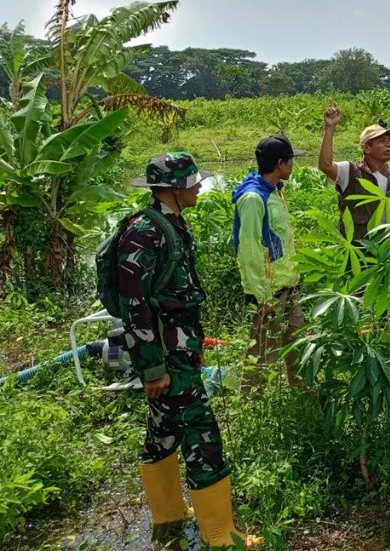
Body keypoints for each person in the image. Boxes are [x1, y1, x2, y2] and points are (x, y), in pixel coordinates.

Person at [118, 153, 261, 549]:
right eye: (193, 182)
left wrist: (192, 345)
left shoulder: (169, 224)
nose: (199, 187)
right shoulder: (145, 232)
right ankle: (220, 536)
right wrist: (152, 370)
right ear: (174, 189)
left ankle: (168, 516)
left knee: (162, 430)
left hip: (178, 351)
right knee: (203, 434)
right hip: (165, 358)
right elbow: (135, 306)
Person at [232, 134, 304, 390]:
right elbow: (249, 251)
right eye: (292, 161)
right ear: (281, 163)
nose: (293, 166)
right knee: (262, 356)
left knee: (298, 346)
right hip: (269, 293)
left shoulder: (274, 191)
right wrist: (263, 298)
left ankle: (304, 396)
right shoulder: (253, 198)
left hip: (289, 287)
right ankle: (253, 404)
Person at [318, 103, 390, 243]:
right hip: (358, 252)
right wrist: (330, 128)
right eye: (382, 141)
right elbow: (326, 165)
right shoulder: (350, 172)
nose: (389, 144)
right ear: (367, 148)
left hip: (387, 254)